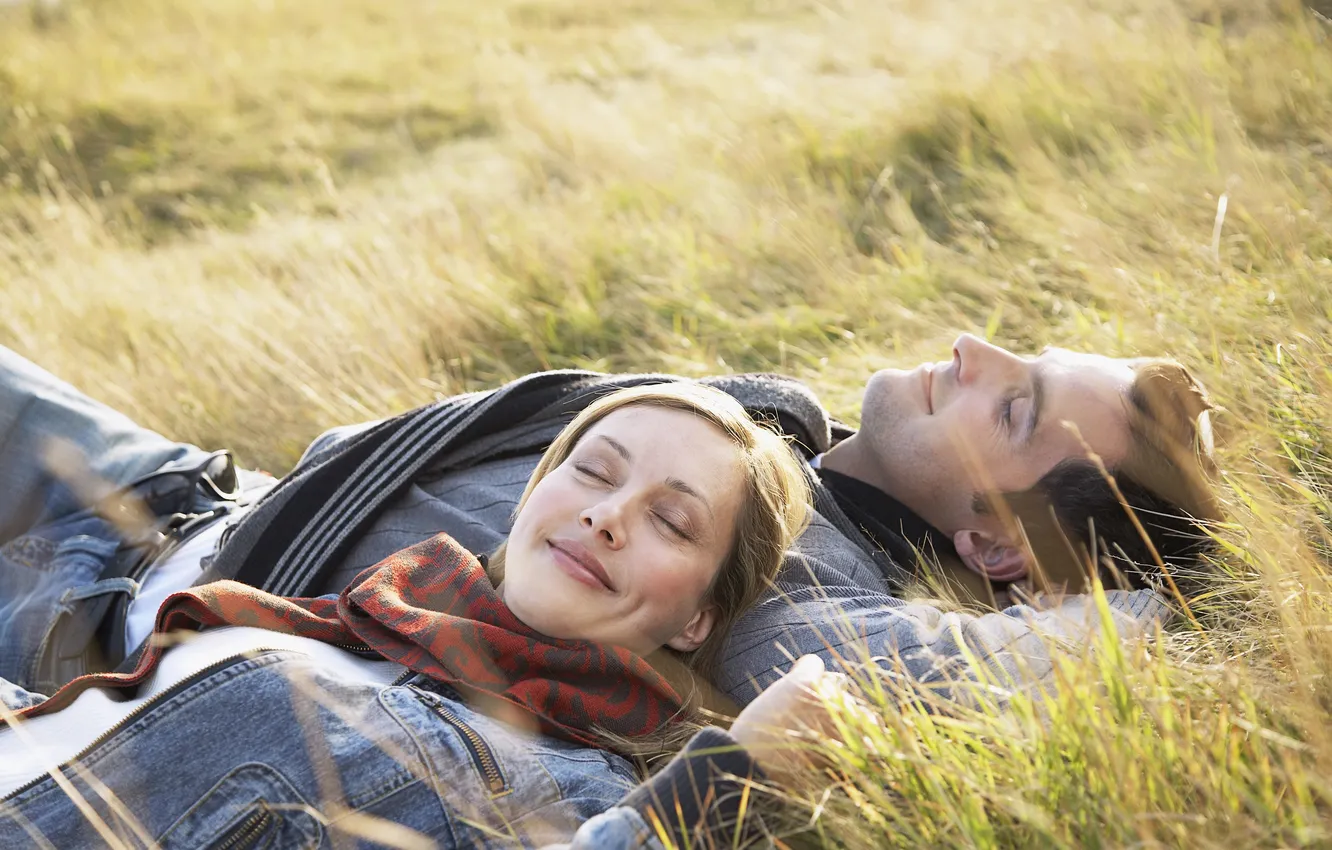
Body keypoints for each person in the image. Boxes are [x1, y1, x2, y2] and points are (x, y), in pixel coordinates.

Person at [0, 332, 1220, 707]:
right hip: (183, 490)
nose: (972, 347)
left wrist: (1165, 605)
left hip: (89, 618)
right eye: (1022, 355)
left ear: (998, 544)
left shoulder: (796, 585)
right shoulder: (780, 429)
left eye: (1013, 405)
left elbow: (921, 673)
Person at [0, 383, 819, 848]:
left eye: (672, 521)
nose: (608, 516)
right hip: (133, 532)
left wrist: (731, 775)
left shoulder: (567, 791)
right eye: (596, 472)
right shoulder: (387, 614)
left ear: (697, 621)